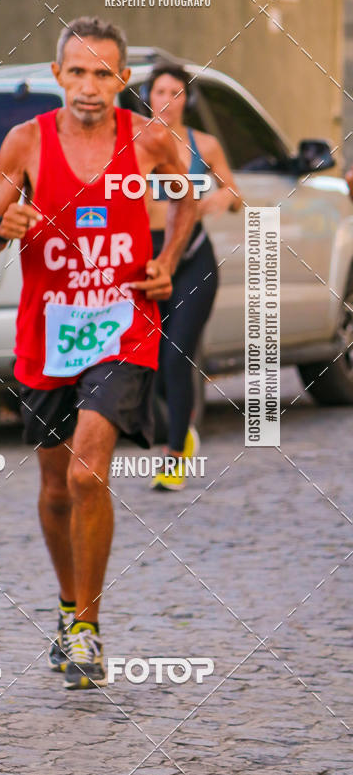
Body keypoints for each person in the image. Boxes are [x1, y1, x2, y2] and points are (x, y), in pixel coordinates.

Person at [0, 17, 196, 690]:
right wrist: (1, 225)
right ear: (57, 75)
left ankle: (87, 631)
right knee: (53, 487)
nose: (90, 86)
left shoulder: (150, 138)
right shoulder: (27, 141)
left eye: (103, 73)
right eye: (77, 72)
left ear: (123, 79)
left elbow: (187, 199)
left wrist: (167, 261)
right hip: (48, 334)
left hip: (124, 325)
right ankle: (69, 606)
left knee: (86, 476)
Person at [141, 62, 242, 491]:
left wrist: (219, 198)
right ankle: (180, 431)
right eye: (160, 92)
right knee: (148, 364)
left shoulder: (205, 144)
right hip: (146, 263)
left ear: (188, 100)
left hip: (194, 260)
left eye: (176, 93)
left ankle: (174, 458)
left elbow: (235, 195)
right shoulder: (134, 143)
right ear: (148, 97)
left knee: (176, 356)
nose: (168, 100)